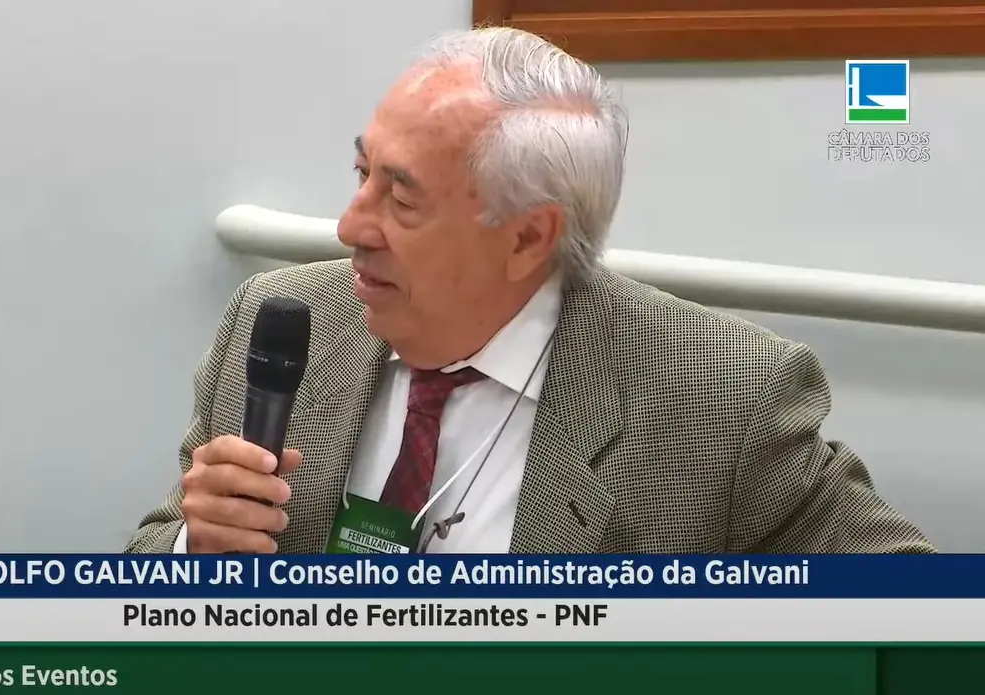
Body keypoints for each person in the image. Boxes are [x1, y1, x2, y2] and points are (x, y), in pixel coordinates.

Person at [125, 27, 933, 555]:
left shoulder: (721, 397)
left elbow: (915, 617)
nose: (349, 226)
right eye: (361, 172)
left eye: (400, 197)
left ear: (525, 238)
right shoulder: (279, 326)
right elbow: (145, 565)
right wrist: (192, 549)